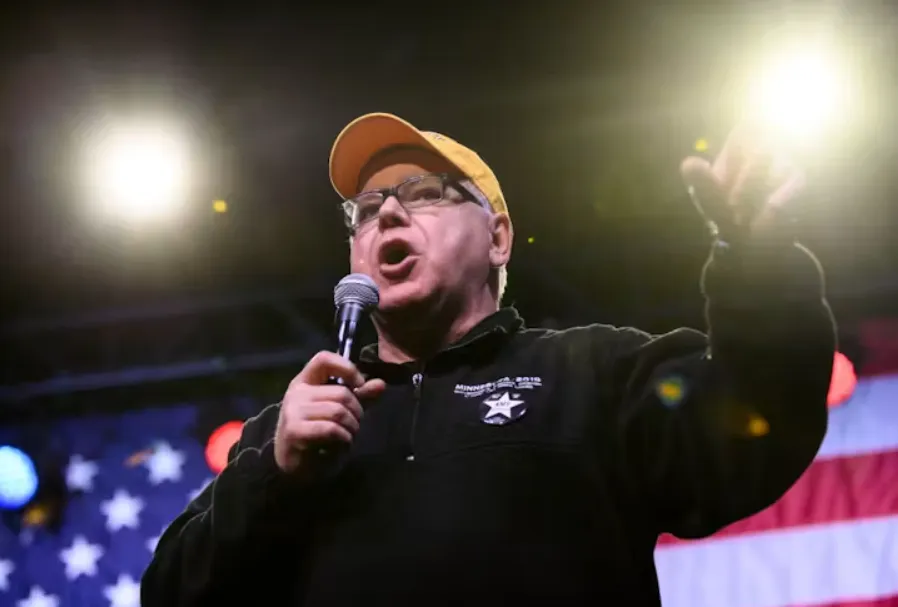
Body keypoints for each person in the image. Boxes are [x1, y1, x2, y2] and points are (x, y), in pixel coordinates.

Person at [141, 113, 836, 606]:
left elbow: (759, 424)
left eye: (423, 196)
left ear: (498, 237)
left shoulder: (591, 372)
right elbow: (170, 594)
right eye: (366, 209)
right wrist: (274, 478)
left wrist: (760, 269)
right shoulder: (286, 433)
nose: (385, 216)